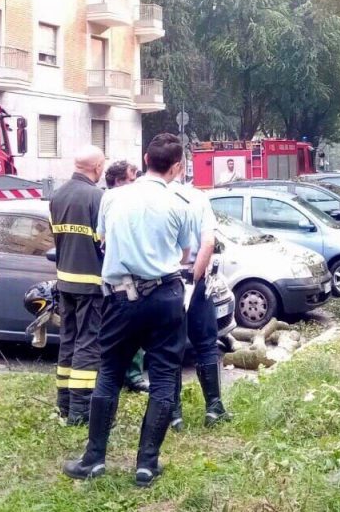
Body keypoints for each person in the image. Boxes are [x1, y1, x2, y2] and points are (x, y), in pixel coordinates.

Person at [64, 133, 194, 487]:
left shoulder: (113, 197)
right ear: (177, 167)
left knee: (109, 372)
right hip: (165, 295)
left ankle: (94, 459)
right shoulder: (181, 203)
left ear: (145, 160)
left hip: (121, 296)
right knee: (165, 378)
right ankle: (146, 465)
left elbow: (102, 240)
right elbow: (184, 255)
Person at [48, 146, 106, 425]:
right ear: (96, 167)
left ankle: (64, 403)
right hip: (91, 284)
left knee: (68, 340)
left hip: (64, 281)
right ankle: (81, 411)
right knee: (88, 343)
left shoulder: (57, 196)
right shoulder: (97, 197)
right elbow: (104, 243)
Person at [170, 177, 229, 430]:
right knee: (206, 343)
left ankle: (173, 413)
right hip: (196, 279)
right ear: (179, 166)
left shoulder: (146, 197)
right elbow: (209, 242)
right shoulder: (196, 197)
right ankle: (214, 408)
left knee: (167, 348)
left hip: (165, 281)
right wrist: (194, 277)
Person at [102, 158, 150, 393]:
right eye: (132, 179)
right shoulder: (109, 200)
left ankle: (128, 375)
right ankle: (128, 375)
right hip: (119, 281)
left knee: (133, 333)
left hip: (125, 281)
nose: (136, 183)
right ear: (120, 181)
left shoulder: (131, 202)